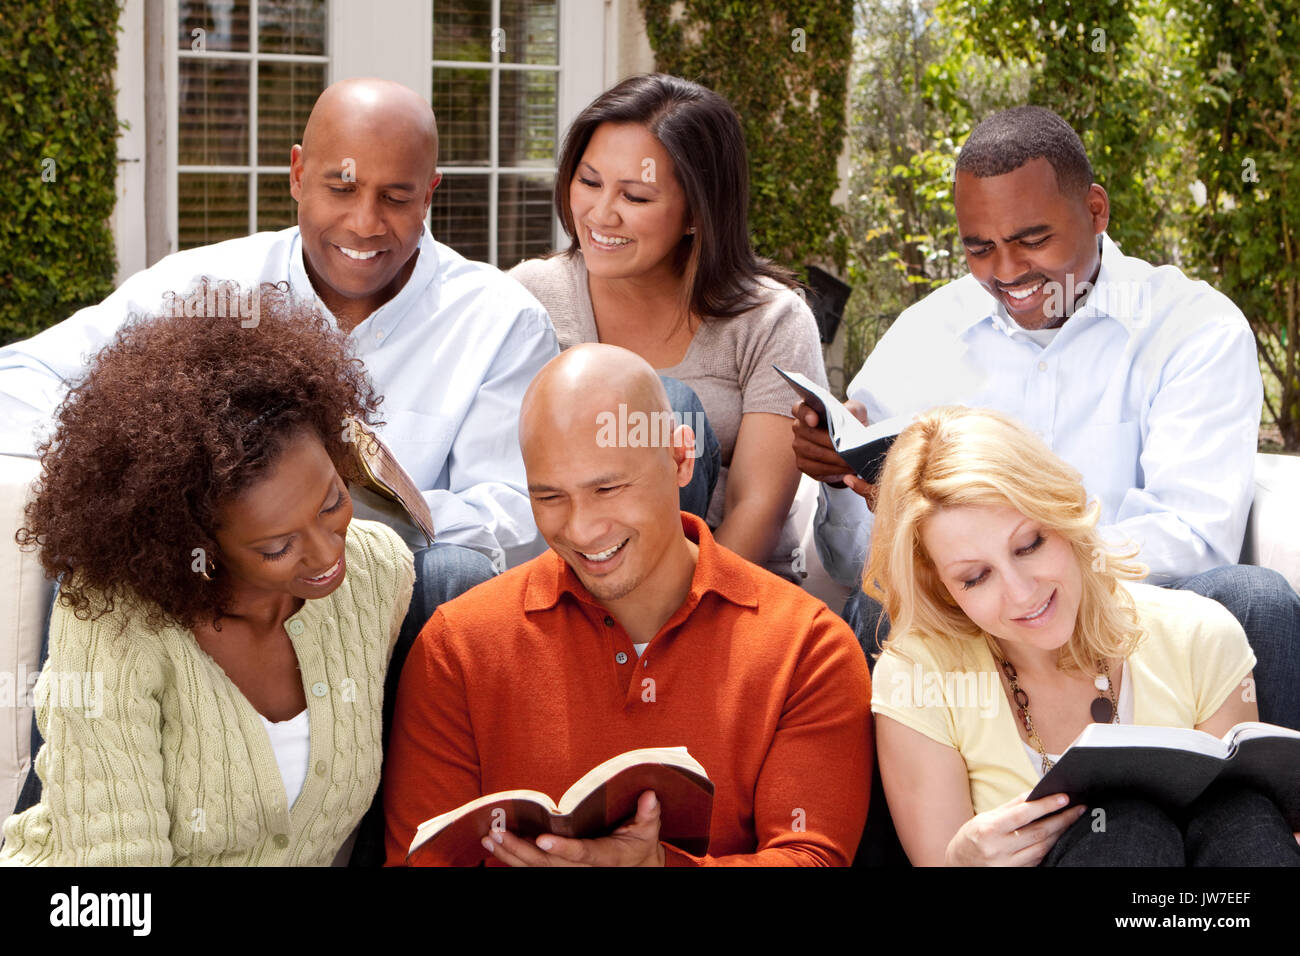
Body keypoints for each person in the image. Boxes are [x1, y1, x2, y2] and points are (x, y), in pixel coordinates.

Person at [793, 105, 1300, 730]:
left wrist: (1039, 567)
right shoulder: (925, 334)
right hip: (973, 619)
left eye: (1033, 240)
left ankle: (1262, 824)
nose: (1007, 272)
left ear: (1095, 210)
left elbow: (1194, 542)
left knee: (1259, 601)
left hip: (1135, 615)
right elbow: (849, 568)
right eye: (980, 248)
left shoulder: (1192, 327)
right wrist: (840, 482)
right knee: (880, 614)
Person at [382, 344, 872, 866]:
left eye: (608, 488)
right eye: (549, 497)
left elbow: (809, 857)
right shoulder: (457, 645)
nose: (581, 528)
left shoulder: (808, 647)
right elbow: (420, 859)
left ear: (681, 458)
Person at [0, 287, 413, 865]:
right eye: (276, 546)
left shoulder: (379, 572)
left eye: (331, 503)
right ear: (196, 541)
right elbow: (116, 869)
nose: (325, 556)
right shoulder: (113, 618)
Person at [867, 405, 1299, 866]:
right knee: (1121, 825)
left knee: (1241, 812)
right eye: (975, 577)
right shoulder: (918, 674)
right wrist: (960, 863)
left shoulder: (1201, 634)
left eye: (1030, 545)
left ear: (1065, 515)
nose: (1021, 594)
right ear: (942, 588)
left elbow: (1230, 832)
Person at [510, 73, 826, 581]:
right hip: (565, 580)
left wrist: (690, 622)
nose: (600, 214)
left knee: (663, 403)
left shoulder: (770, 321)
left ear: (696, 214)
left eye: (634, 196)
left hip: (716, 591)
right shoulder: (529, 296)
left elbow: (756, 511)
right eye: (589, 182)